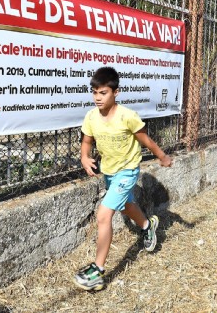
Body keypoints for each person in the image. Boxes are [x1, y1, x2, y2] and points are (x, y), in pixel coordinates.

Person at [74, 66, 173, 291]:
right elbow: (87, 141)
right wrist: (84, 157)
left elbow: (145, 140)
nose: (98, 98)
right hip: (109, 171)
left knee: (103, 215)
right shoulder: (91, 117)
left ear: (115, 92)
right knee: (126, 206)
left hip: (127, 171)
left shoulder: (127, 116)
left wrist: (162, 156)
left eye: (103, 93)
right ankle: (148, 225)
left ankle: (97, 272)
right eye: (95, 93)